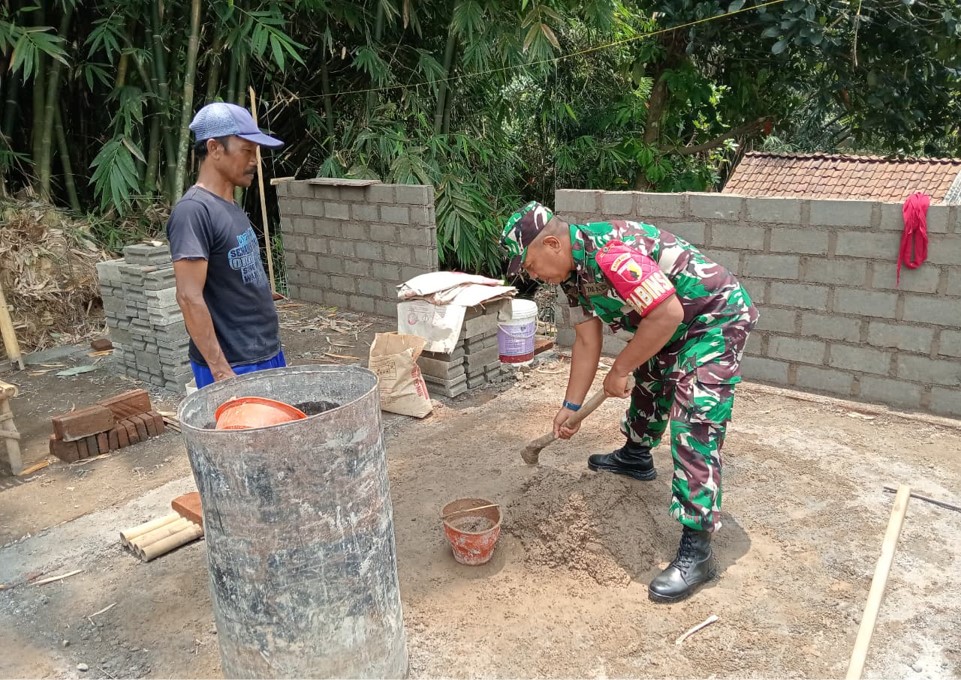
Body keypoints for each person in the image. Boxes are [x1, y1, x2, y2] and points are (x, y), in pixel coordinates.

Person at [501, 201, 758, 602]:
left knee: (695, 419)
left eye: (531, 266)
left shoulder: (611, 255)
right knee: (650, 380)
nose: (533, 276)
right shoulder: (572, 276)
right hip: (671, 325)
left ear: (552, 243)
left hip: (713, 318)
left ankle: (698, 547)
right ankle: (636, 455)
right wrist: (571, 409)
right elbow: (587, 339)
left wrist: (619, 367)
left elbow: (667, 312)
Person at [166, 102, 286, 389]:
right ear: (214, 149)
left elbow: (226, 266)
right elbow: (188, 297)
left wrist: (255, 292)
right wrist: (221, 373)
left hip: (263, 350)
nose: (255, 160)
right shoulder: (193, 212)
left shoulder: (229, 204)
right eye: (246, 151)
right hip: (234, 365)